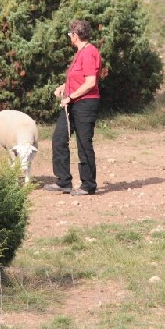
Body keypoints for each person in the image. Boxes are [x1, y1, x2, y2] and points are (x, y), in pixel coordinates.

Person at [44, 19, 102, 196]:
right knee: (59, 139)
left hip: (85, 103)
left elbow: (90, 82)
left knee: (84, 144)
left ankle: (88, 185)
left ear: (76, 35)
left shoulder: (89, 52)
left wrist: (70, 97)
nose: (70, 37)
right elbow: (77, 77)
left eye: (70, 34)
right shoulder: (80, 52)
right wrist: (64, 87)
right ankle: (63, 181)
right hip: (72, 102)